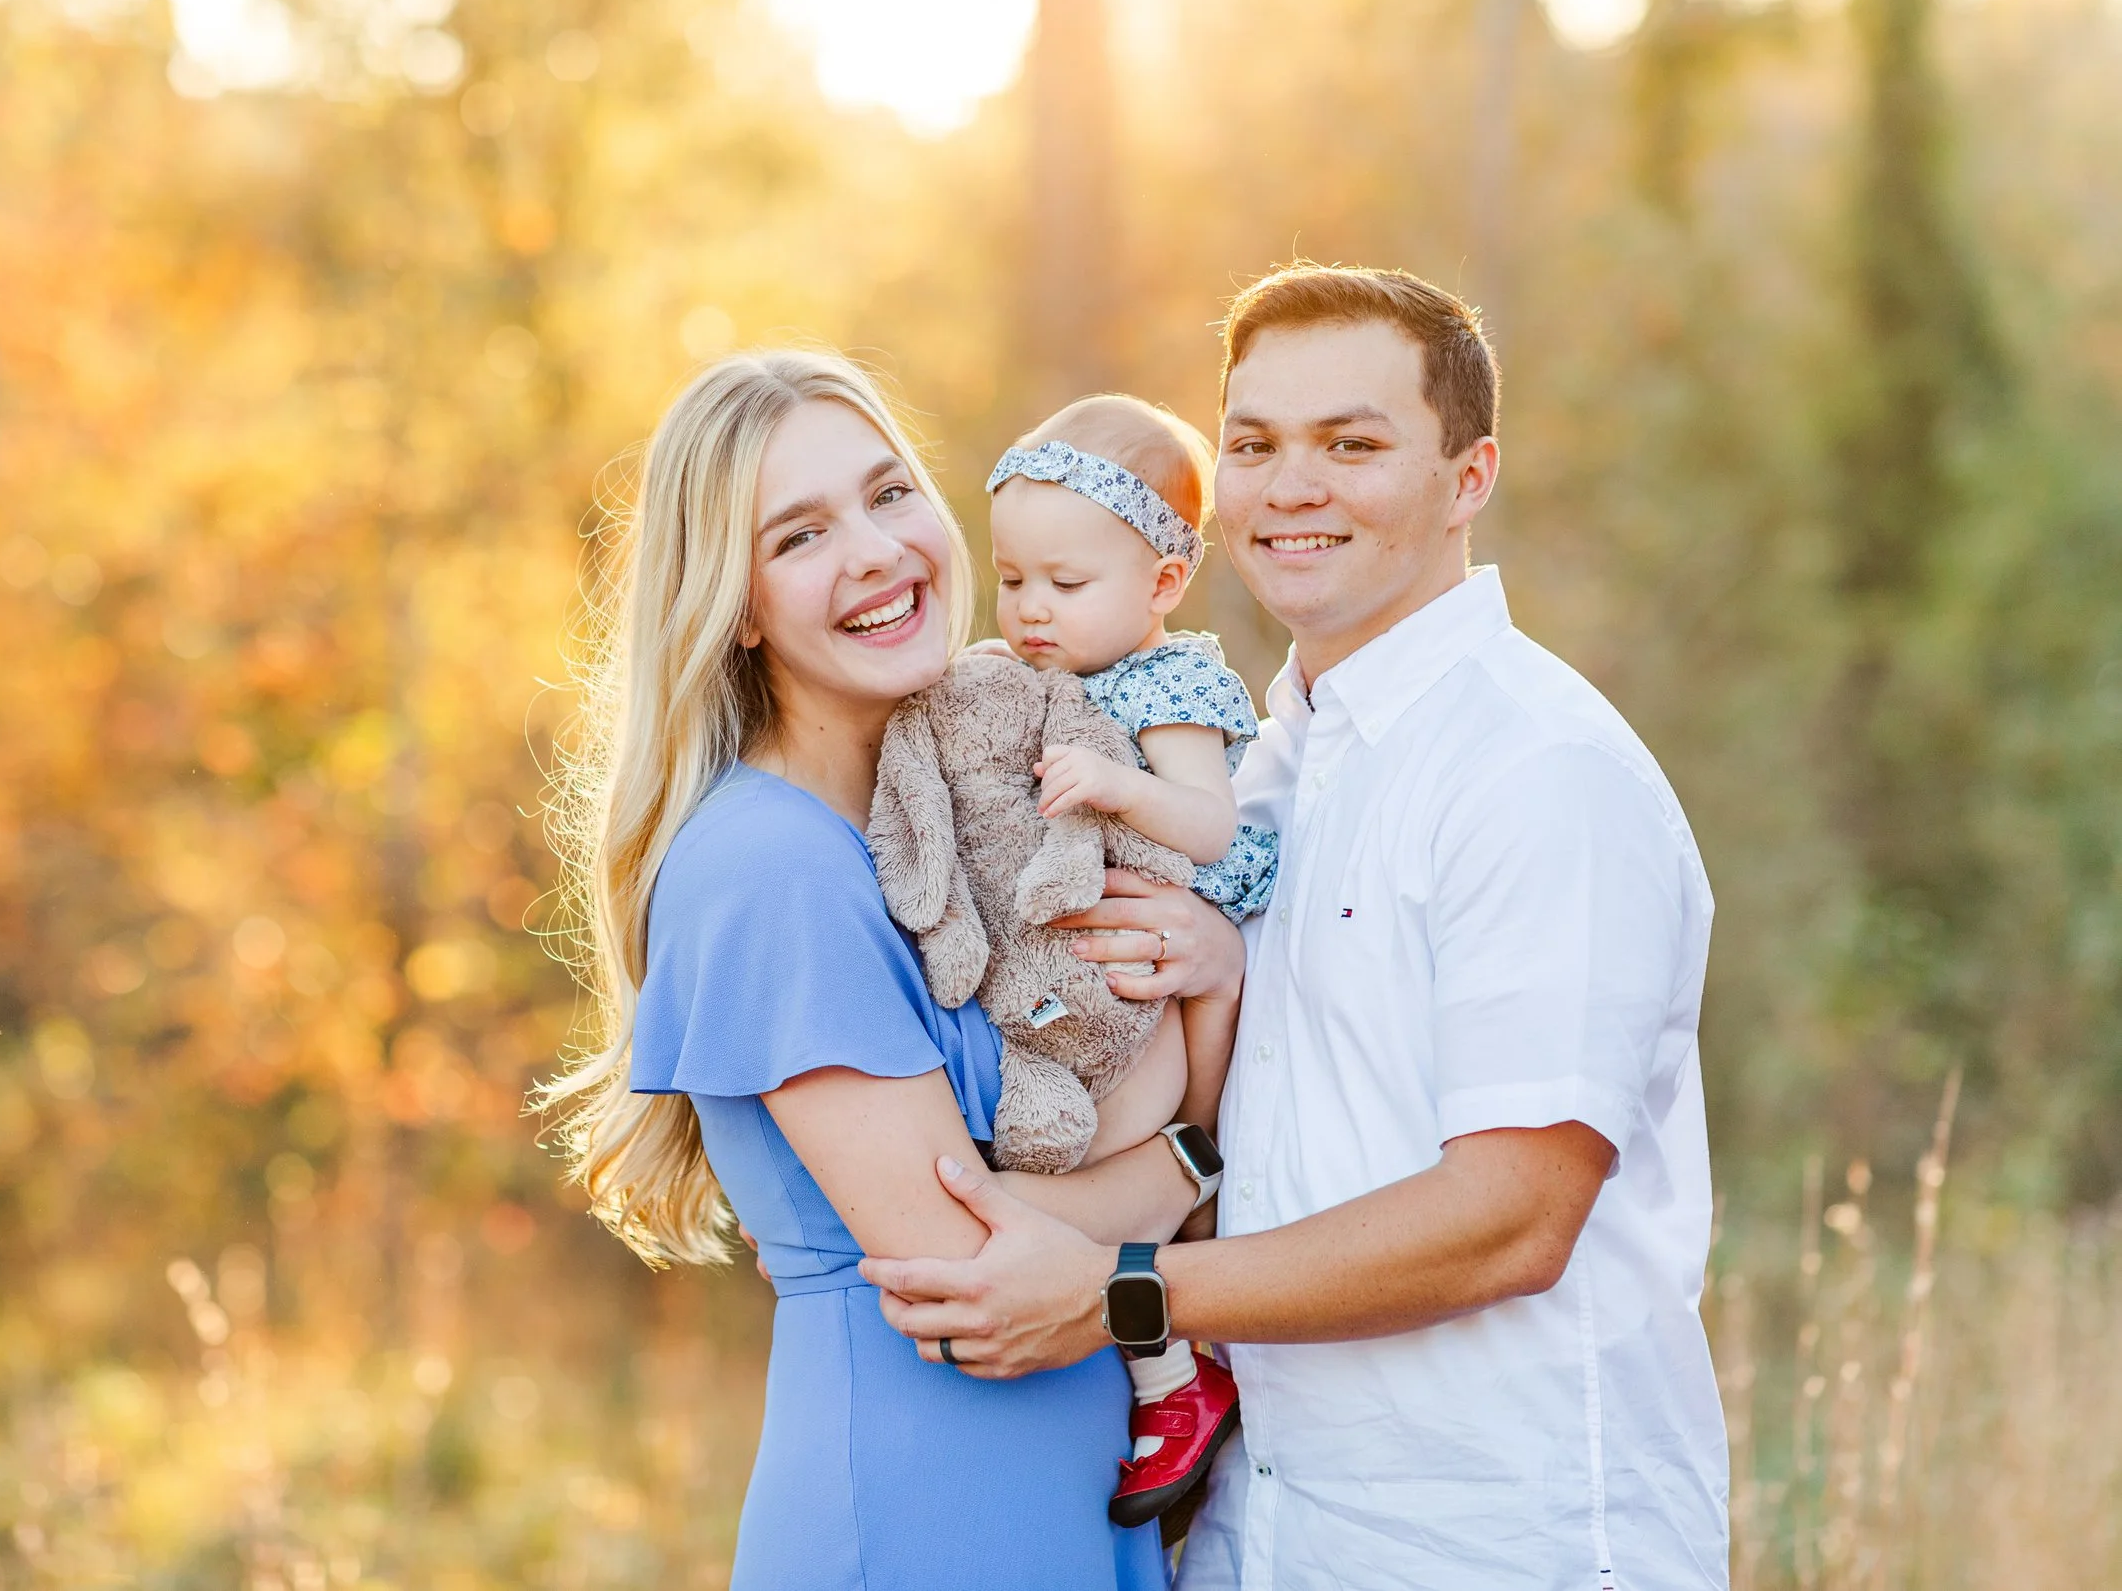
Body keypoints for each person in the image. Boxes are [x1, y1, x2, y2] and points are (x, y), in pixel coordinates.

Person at [860, 264, 1731, 1589]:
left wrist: (1120, 1287)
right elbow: (1216, 1120)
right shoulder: (1254, 773)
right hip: (1263, 1538)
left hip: (1504, 1544)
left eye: (1355, 443)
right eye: (1256, 444)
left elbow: (1512, 1216)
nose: (1292, 485)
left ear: (1471, 475)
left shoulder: (1538, 769)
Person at [537, 350, 1246, 1591]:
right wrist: (1193, 1153)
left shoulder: (972, 802)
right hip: (928, 1504)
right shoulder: (770, 863)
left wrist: (1216, 970)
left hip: (1073, 1478)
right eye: (800, 533)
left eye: (887, 493)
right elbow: (964, 1265)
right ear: (737, 602)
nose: (873, 550)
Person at [983, 393, 1277, 1522]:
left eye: (1066, 584)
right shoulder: (1022, 679)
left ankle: (1176, 1368)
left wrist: (1113, 782)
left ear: (1161, 581)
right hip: (1077, 960)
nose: (1032, 610)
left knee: (1126, 1150)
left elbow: (1206, 826)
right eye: (1013, 580)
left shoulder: (1169, 684)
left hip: (1162, 961)